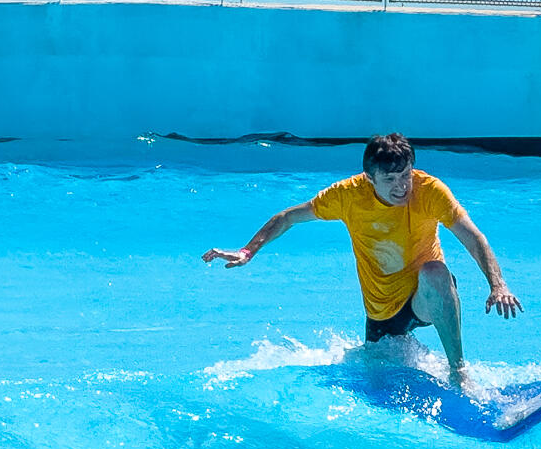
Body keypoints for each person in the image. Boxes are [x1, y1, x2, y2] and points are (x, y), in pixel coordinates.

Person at [202, 133, 521, 384]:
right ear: (370, 179)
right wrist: (247, 251)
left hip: (423, 298)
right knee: (377, 370)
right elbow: (287, 217)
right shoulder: (347, 195)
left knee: (436, 272)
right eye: (391, 180)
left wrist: (498, 284)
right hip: (382, 311)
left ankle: (458, 373)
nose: (402, 187)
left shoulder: (430, 191)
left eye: (406, 175)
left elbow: (472, 235)